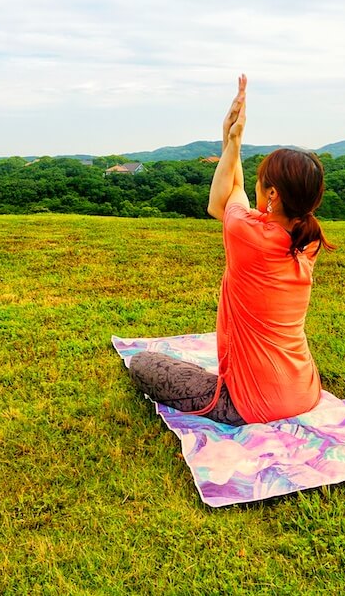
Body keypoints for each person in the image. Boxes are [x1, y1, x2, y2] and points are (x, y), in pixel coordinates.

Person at [128, 74, 334, 425]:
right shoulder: (308, 238)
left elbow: (219, 201)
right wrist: (230, 139)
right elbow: (236, 188)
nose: (254, 184)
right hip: (304, 392)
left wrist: (233, 140)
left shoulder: (249, 233)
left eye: (261, 181)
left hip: (252, 405)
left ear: (272, 194)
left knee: (143, 364)